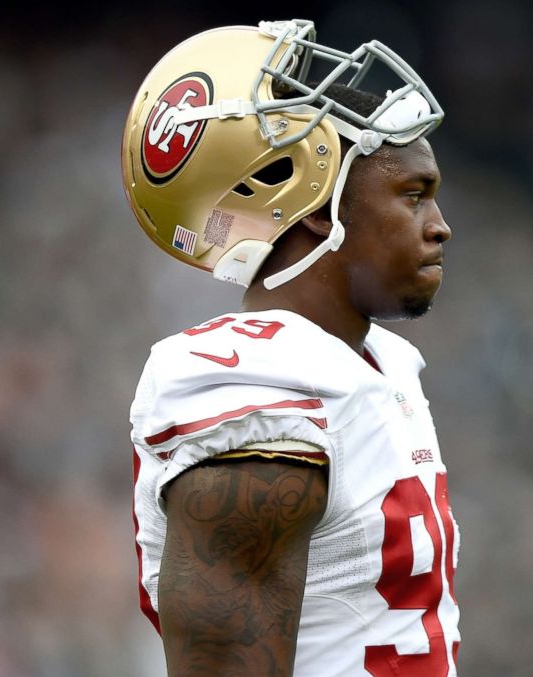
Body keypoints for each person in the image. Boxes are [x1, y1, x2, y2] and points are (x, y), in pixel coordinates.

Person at [124, 19, 460, 676]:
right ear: (312, 200)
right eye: (411, 194)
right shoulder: (257, 389)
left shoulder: (380, 364)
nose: (439, 227)